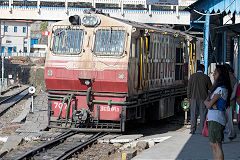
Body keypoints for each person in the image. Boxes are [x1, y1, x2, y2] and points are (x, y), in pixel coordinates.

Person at [204, 65, 232, 160]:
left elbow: (208, 103)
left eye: (215, 73)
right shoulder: (219, 88)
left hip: (216, 119)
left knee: (216, 144)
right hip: (214, 117)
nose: (213, 75)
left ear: (221, 75)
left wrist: (210, 103)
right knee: (214, 144)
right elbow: (207, 102)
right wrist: (210, 103)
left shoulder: (220, 89)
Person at [187, 64, 212, 134]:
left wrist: (189, 98)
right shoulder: (206, 77)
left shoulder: (192, 77)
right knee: (203, 115)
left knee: (193, 114)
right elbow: (211, 89)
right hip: (203, 99)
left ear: (197, 69)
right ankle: (202, 130)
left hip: (193, 98)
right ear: (203, 69)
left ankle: (192, 129)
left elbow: (189, 88)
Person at [224, 64, 237, 140]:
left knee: (228, 118)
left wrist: (227, 99)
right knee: (229, 118)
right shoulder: (234, 78)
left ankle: (231, 133)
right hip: (230, 101)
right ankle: (230, 132)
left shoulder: (229, 78)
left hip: (228, 101)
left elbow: (232, 92)